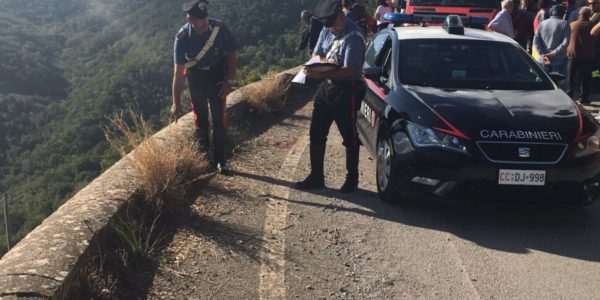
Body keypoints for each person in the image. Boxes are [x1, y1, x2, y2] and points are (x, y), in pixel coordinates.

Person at [296, 0, 367, 193]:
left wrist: (322, 72)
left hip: (347, 89)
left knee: (349, 135)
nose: (330, 29)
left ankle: (352, 178)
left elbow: (349, 70)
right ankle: (316, 176)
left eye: (333, 24)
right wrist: (325, 64)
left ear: (340, 15)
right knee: (317, 132)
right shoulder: (328, 29)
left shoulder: (354, 36)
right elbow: (317, 52)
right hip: (326, 87)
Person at [171, 0, 238, 176]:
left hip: (216, 76)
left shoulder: (219, 28)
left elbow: (233, 54)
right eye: (197, 19)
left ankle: (221, 161)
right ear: (190, 19)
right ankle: (206, 161)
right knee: (200, 120)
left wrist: (228, 81)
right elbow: (178, 73)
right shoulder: (183, 37)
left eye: (205, 18)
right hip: (195, 79)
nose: (205, 21)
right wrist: (176, 103)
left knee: (219, 120)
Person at [534, 4, 571, 81]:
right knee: (558, 84)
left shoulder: (542, 23)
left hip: (544, 59)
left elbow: (536, 41)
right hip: (558, 60)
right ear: (563, 13)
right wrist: (552, 54)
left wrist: (542, 54)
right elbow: (565, 43)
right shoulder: (564, 24)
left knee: (542, 82)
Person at [567, 7, 596, 103]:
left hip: (573, 55)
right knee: (586, 77)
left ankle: (570, 94)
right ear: (589, 15)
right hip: (588, 56)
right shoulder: (592, 25)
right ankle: (584, 97)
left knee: (571, 76)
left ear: (580, 14)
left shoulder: (572, 25)